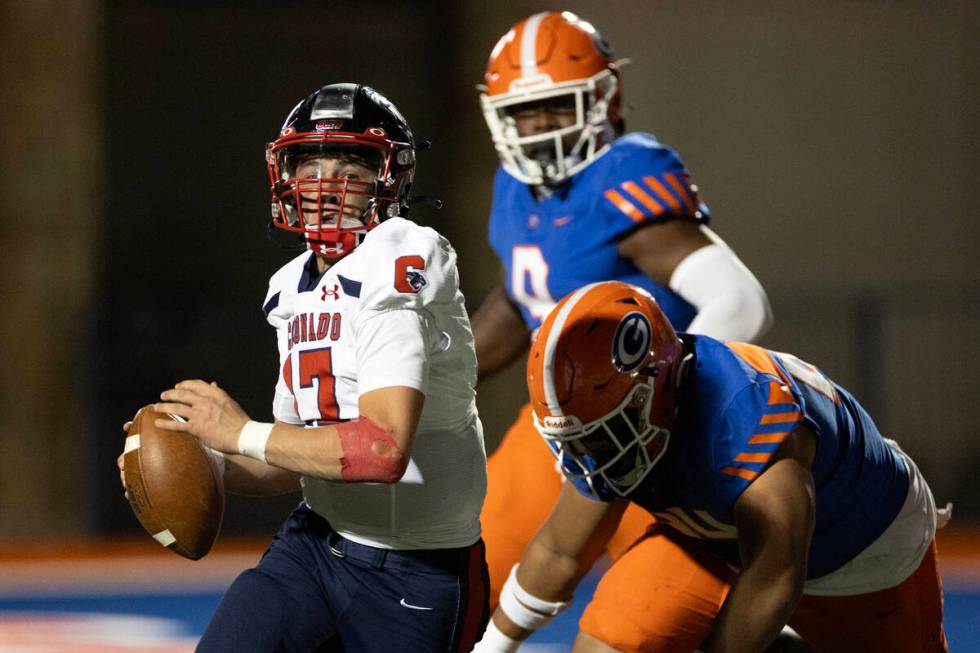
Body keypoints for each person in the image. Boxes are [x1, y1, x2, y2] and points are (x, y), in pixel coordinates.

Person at [119, 83, 490, 652]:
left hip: (418, 571)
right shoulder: (291, 287)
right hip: (315, 547)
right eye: (310, 160)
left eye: (351, 161)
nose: (326, 179)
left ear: (390, 179)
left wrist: (241, 432)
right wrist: (204, 463)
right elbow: (298, 457)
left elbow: (381, 450)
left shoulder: (400, 256)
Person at [471, 10, 773, 613]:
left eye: (556, 106)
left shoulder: (625, 172)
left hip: (648, 429)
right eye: (523, 112)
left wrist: (664, 398)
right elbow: (520, 299)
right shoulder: (514, 186)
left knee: (662, 617)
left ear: (604, 100)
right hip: (555, 425)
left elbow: (740, 300)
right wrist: (436, 372)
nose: (537, 128)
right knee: (471, 578)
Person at [474, 280, 949, 653]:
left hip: (863, 548)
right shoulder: (617, 417)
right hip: (713, 537)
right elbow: (560, 551)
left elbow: (777, 575)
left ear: (655, 389)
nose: (593, 453)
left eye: (604, 433)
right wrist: (493, 646)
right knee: (616, 638)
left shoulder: (748, 419)